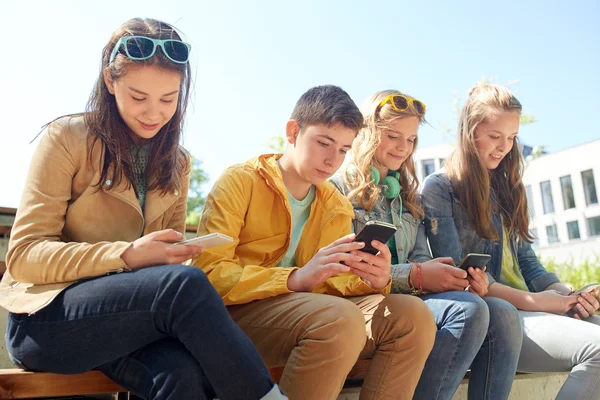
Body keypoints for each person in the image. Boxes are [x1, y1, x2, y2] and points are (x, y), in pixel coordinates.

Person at [0, 18, 285, 400]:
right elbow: (24, 256)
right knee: (184, 286)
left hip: (125, 323)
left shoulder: (177, 164)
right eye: (138, 97)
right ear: (110, 81)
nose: (154, 112)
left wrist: (172, 256)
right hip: (45, 322)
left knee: (184, 376)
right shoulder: (66, 138)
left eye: (168, 99)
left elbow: (161, 272)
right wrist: (127, 255)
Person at [192, 85, 437, 400]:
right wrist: (295, 277)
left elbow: (332, 283)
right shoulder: (240, 181)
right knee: (339, 318)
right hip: (233, 316)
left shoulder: (334, 202)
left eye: (343, 150)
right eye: (324, 143)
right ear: (293, 132)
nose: (332, 159)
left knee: (412, 314)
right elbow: (208, 275)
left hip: (305, 313)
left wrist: (374, 280)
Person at [330, 89, 522, 400]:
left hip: (410, 300)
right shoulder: (336, 190)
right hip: (363, 302)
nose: (403, 147)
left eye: (411, 140)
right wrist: (417, 274)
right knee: (468, 311)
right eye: (393, 136)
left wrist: (447, 276)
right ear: (367, 133)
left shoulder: (406, 198)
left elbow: (420, 256)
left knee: (501, 312)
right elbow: (346, 270)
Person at [421, 82, 600, 400]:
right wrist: (539, 302)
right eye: (494, 136)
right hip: (503, 318)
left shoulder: (504, 187)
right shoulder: (440, 188)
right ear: (471, 131)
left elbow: (527, 262)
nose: (503, 146)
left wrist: (566, 294)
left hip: (535, 309)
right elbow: (462, 276)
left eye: (511, 137)